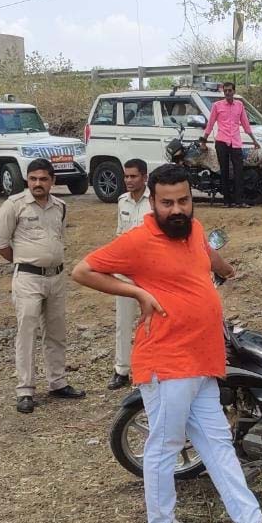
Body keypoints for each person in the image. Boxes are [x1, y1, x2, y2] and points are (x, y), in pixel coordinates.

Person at [72, 164, 262, 523]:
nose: (177, 209)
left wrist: (226, 270)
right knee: (165, 445)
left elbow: (205, 256)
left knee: (218, 444)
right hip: (167, 361)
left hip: (203, 360)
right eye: (167, 203)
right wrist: (137, 293)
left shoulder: (195, 230)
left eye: (183, 200)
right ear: (152, 202)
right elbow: (83, 270)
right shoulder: (137, 241)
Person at [0, 158, 86, 413]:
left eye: (43, 179)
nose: (37, 183)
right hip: (28, 278)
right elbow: (0, 244)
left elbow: (59, 237)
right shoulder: (14, 205)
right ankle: (25, 390)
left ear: (52, 181)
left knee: (56, 331)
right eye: (33, 179)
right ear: (27, 180)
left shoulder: (60, 207)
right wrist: (25, 261)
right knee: (27, 332)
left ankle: (58, 382)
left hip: (56, 277)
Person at [108, 159, 151, 391]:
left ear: (145, 177)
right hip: (125, 271)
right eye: (126, 176)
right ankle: (121, 370)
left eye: (133, 176)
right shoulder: (122, 201)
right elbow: (119, 234)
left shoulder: (154, 202)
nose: (129, 180)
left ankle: (148, 369)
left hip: (150, 272)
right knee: (123, 322)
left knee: (150, 321)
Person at [201, 81, 256, 208]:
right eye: (225, 91)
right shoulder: (217, 106)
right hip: (221, 141)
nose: (227, 93)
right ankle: (226, 201)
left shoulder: (239, 105)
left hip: (235, 142)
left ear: (234, 91)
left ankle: (239, 201)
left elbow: (246, 124)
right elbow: (210, 124)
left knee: (239, 171)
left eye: (229, 90)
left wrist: (254, 140)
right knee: (224, 171)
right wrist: (204, 140)